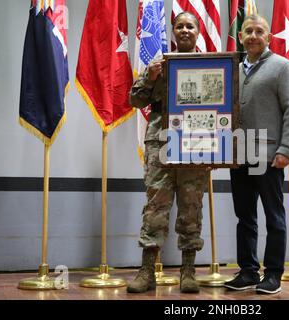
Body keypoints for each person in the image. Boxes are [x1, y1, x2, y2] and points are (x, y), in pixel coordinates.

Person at [127, 12, 208, 294]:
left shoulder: (210, 67)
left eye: (190, 26)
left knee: (191, 207)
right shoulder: (159, 64)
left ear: (198, 32)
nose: (185, 30)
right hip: (161, 142)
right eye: (180, 26)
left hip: (196, 142)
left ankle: (188, 271)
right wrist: (150, 78)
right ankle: (147, 271)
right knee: (155, 207)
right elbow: (135, 99)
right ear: (173, 31)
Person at [224, 14, 289, 294]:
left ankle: (274, 274)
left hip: (269, 156)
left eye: (259, 32)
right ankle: (247, 271)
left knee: (274, 217)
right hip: (238, 155)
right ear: (240, 36)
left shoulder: (281, 66)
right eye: (248, 31)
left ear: (268, 37)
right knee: (244, 217)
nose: (254, 36)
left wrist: (286, 149)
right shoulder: (232, 68)